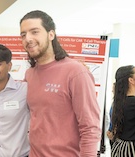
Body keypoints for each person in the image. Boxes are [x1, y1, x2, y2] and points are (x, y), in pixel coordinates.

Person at [19, 10, 101, 156]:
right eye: (23, 35)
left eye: (34, 32)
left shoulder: (76, 72)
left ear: (51, 34)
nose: (28, 39)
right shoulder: (29, 74)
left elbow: (90, 128)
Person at [111, 65, 135, 157]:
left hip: (120, 147)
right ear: (131, 80)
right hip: (130, 150)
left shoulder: (120, 102)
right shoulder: (132, 102)